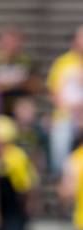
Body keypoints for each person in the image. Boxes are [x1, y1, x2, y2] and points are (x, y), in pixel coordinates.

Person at [46, 26, 83, 174]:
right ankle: (61, 176)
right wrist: (71, 109)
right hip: (66, 116)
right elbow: (53, 92)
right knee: (61, 141)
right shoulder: (62, 63)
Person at [0, 26, 41, 116]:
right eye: (8, 42)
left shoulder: (26, 61)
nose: (12, 45)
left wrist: (23, 82)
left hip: (21, 109)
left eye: (15, 41)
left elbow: (36, 87)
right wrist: (1, 83)